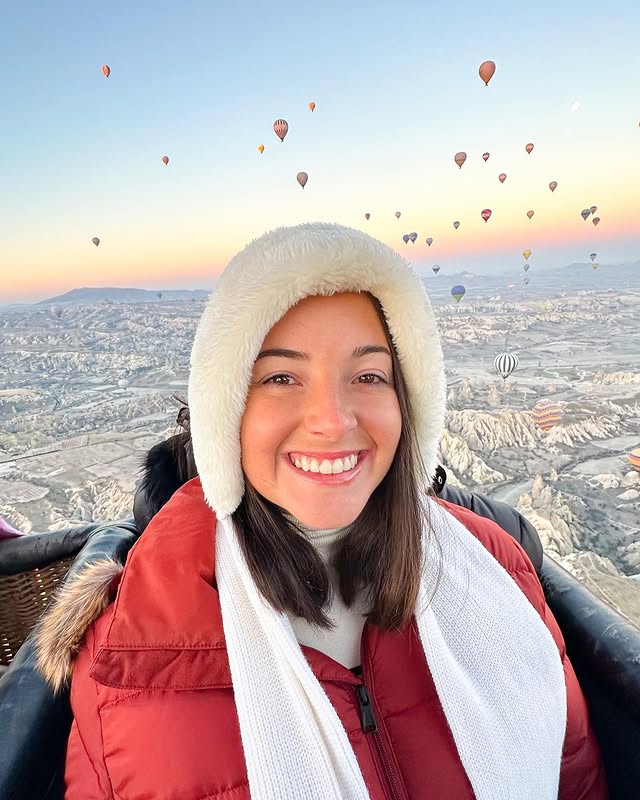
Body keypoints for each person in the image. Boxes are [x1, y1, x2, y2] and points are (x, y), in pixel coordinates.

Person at [36, 222, 606, 799]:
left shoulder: (496, 569)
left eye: (368, 376)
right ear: (227, 412)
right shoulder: (127, 658)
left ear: (407, 403)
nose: (332, 420)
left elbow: (575, 777)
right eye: (281, 377)